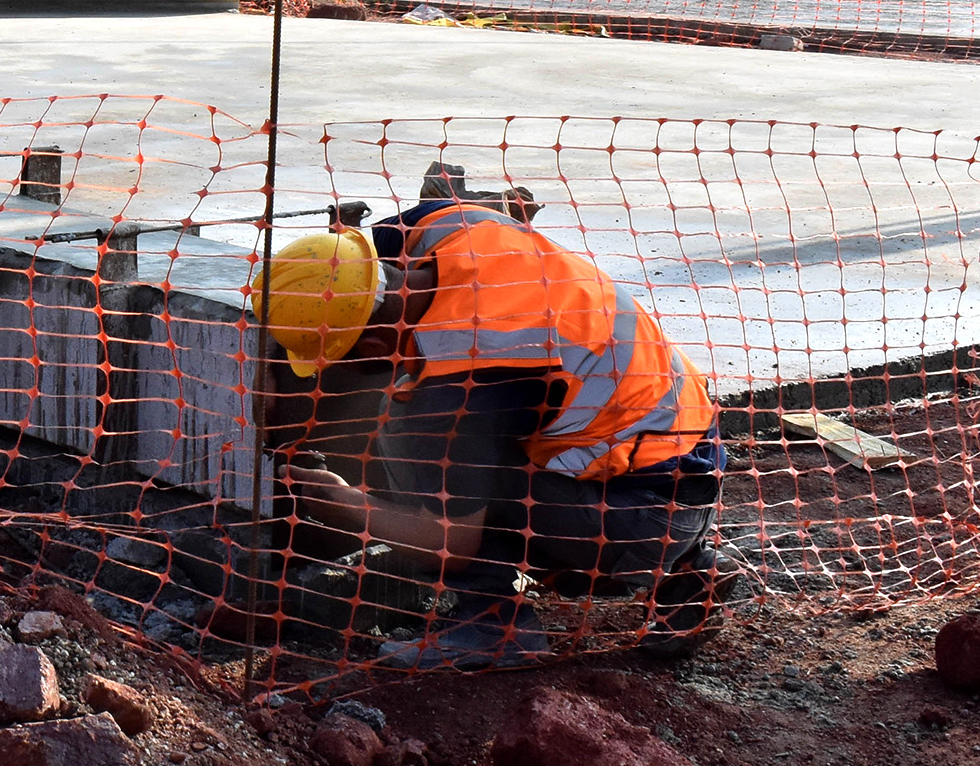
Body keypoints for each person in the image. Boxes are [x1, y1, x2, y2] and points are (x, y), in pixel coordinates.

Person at [262, 177, 728, 669]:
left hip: (643, 518)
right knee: (468, 445)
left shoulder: (462, 377)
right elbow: (334, 269)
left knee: (403, 438)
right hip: (684, 463)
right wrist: (268, 363)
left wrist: (344, 502)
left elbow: (451, 547)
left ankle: (493, 630)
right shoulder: (444, 224)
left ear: (374, 346)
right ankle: (688, 575)